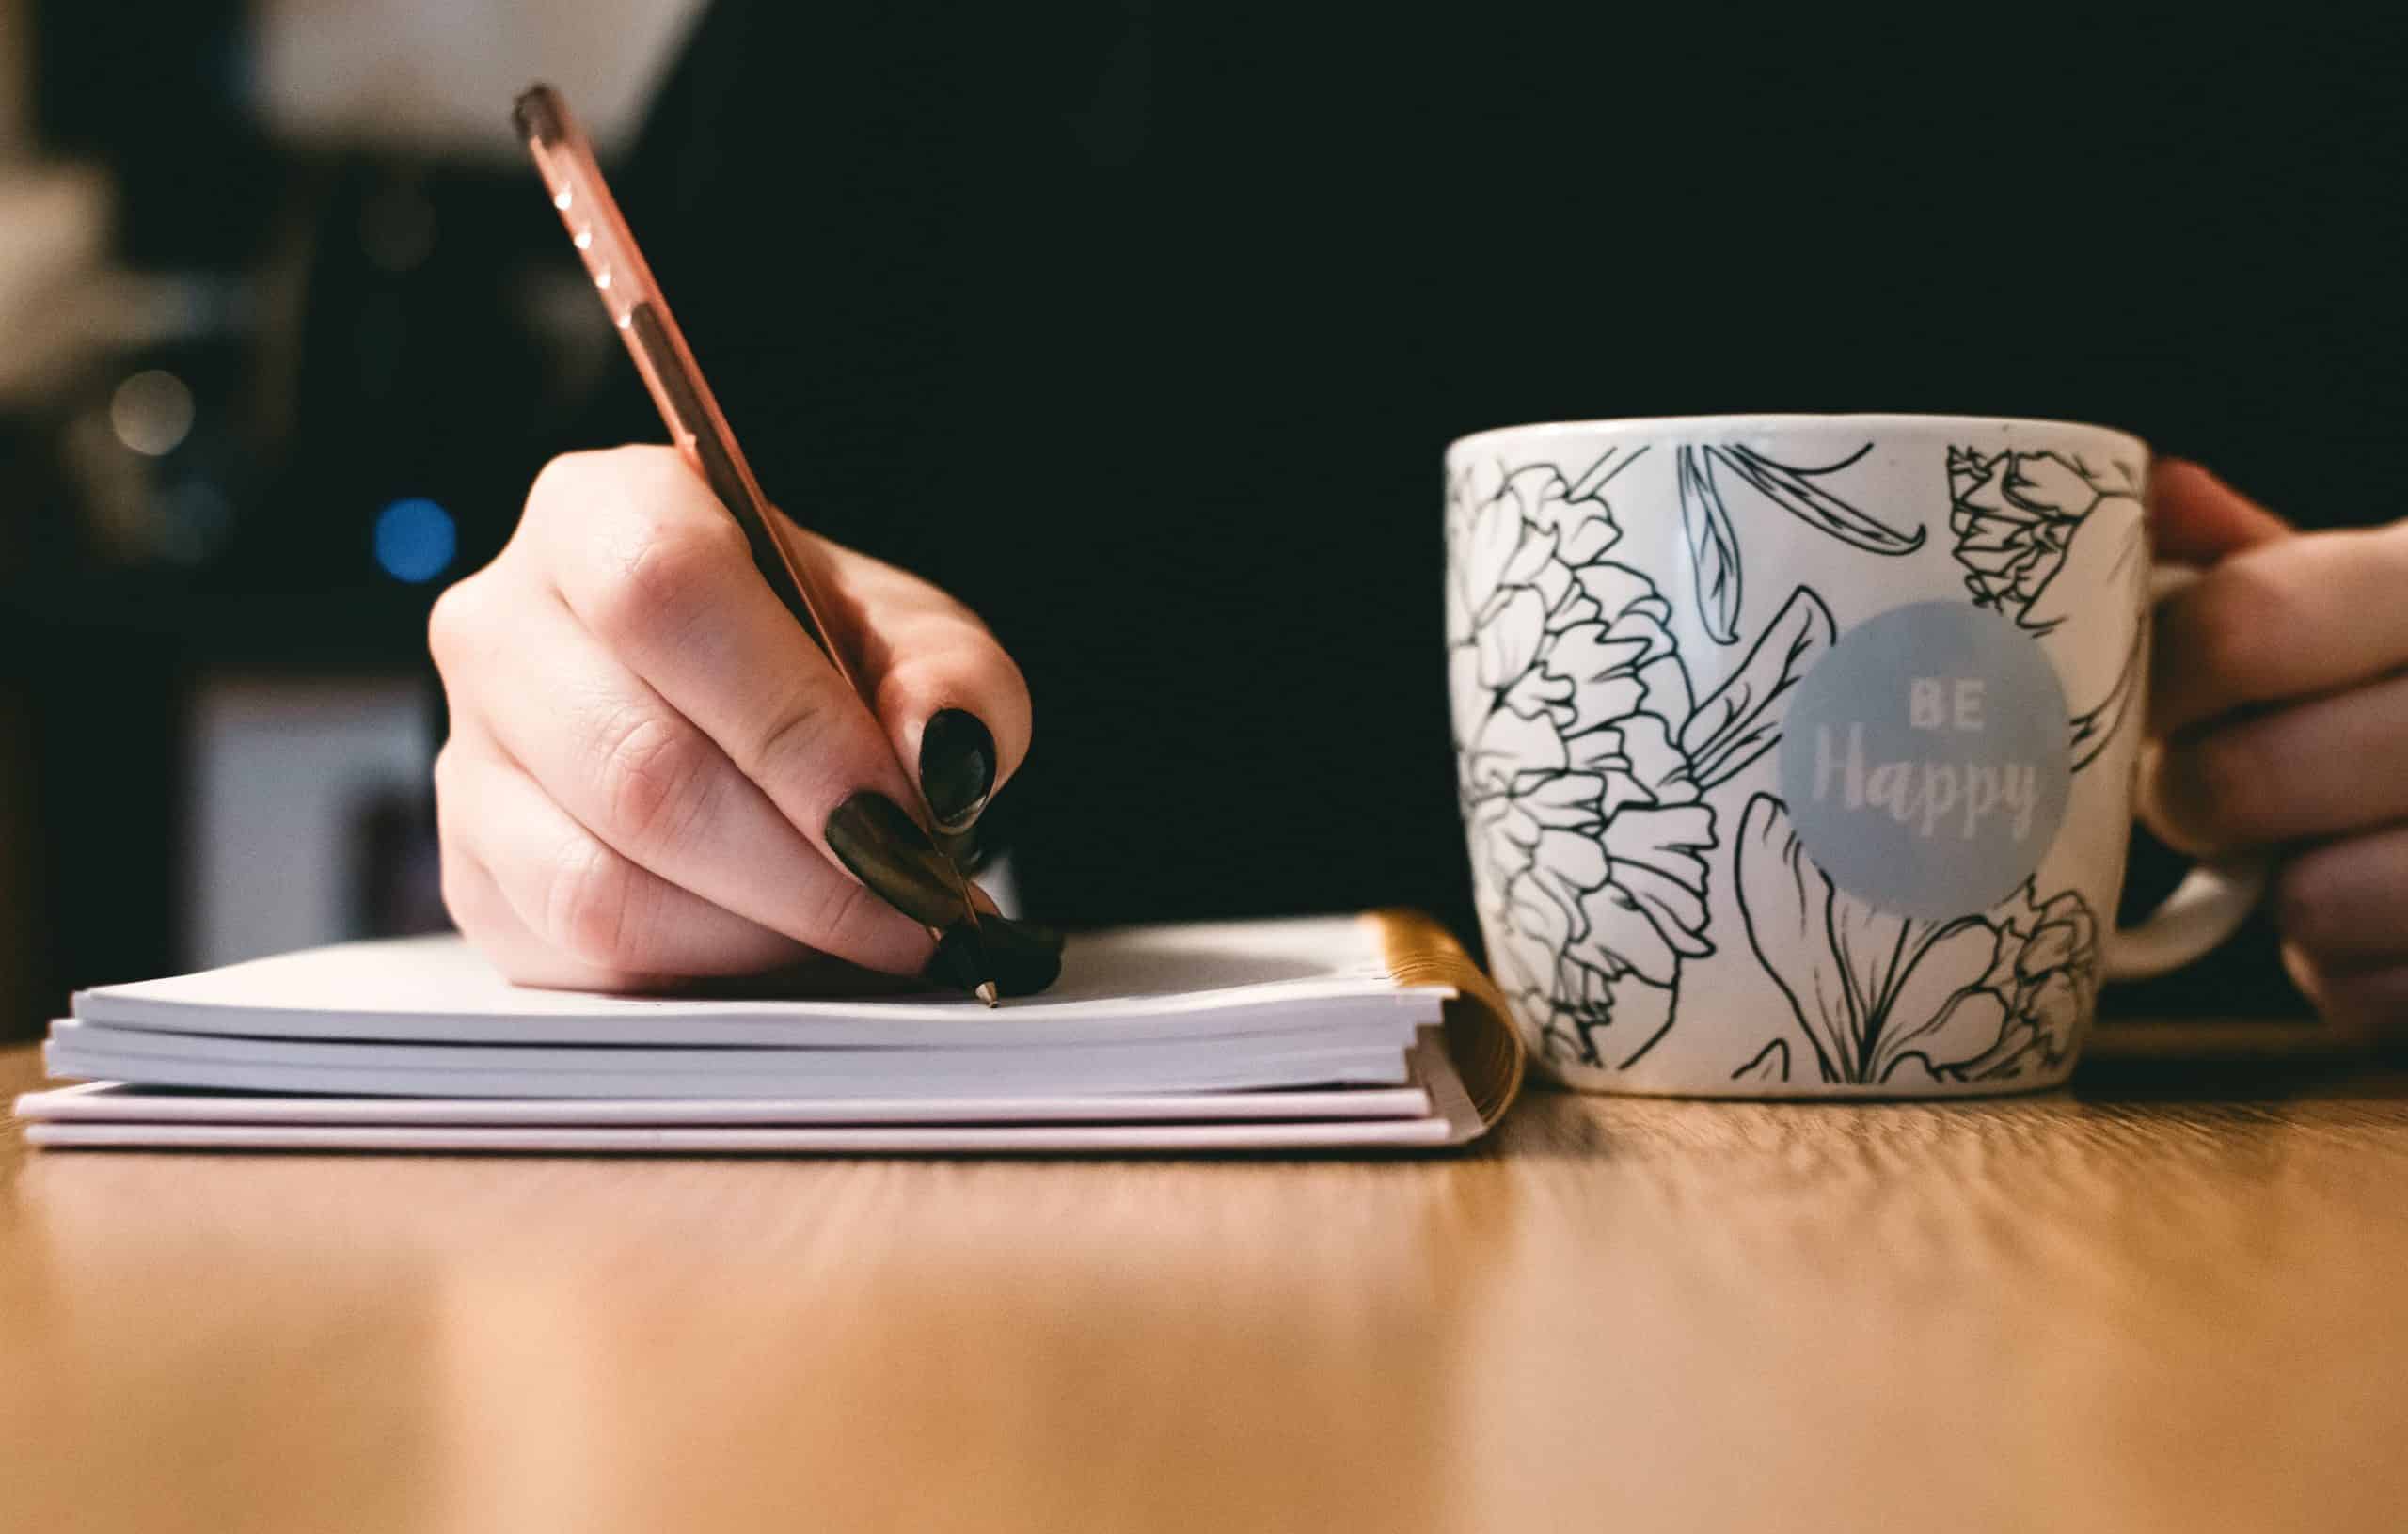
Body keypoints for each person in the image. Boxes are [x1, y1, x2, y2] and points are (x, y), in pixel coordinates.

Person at [428, 5, 2408, 1036]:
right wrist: (635, 733)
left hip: (2219, 1244)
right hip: (1166, 1310)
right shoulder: (929, 44)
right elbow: (651, 552)